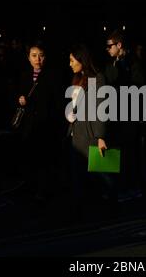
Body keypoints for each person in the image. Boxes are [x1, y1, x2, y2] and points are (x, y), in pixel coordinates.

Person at [16, 42, 63, 202]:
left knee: (45, 160)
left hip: (46, 125)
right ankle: (32, 188)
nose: (38, 59)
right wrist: (20, 99)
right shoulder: (23, 76)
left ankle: (43, 191)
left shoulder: (52, 76)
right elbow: (17, 96)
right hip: (29, 126)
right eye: (34, 55)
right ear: (28, 58)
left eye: (41, 55)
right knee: (31, 158)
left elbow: (57, 102)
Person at [66, 43, 110, 212]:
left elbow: (101, 108)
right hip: (76, 133)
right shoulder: (77, 78)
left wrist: (101, 136)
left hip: (90, 134)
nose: (70, 64)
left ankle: (106, 206)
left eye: (72, 60)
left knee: (100, 174)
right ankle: (83, 209)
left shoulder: (97, 78)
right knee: (79, 174)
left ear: (81, 60)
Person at [104, 30, 144, 202]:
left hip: (128, 114)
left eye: (110, 46)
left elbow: (138, 87)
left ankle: (130, 187)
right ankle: (119, 186)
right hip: (117, 113)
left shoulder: (132, 63)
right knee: (119, 150)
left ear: (119, 45)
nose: (107, 49)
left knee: (128, 152)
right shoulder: (114, 63)